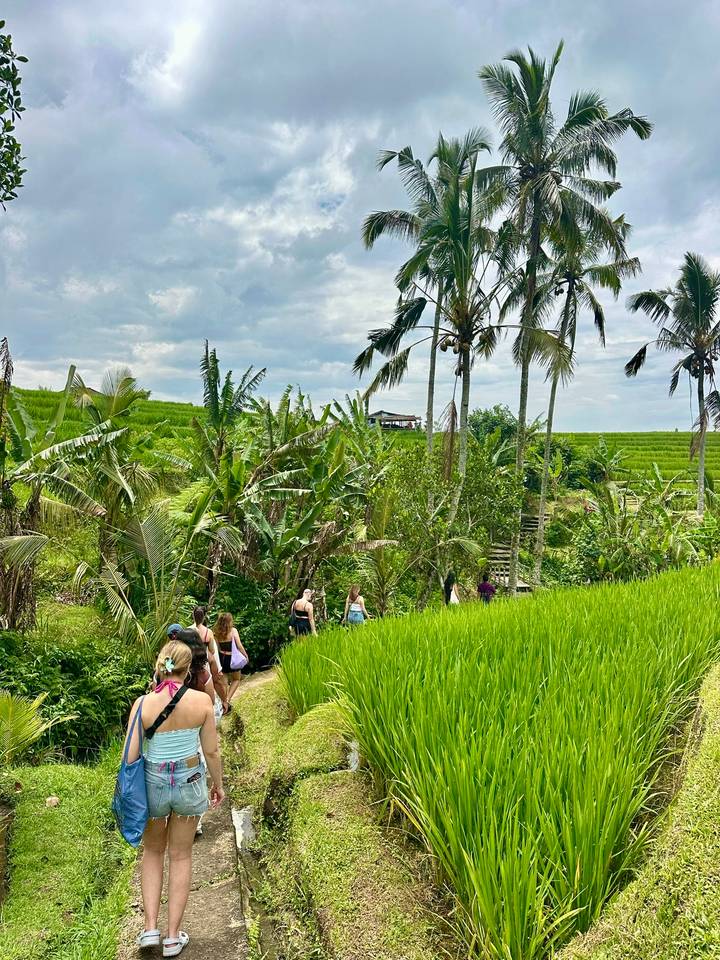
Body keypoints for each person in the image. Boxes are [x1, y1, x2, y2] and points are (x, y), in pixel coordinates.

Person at [124, 640, 224, 957]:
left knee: (153, 852)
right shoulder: (202, 703)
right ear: (188, 669)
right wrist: (217, 784)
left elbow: (130, 757)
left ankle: (150, 929)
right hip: (190, 780)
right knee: (181, 855)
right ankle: (171, 937)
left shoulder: (142, 704)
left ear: (161, 665)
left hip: (153, 783)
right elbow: (211, 750)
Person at [190, 606, 229, 715]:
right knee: (213, 681)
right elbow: (212, 650)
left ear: (193, 616)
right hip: (205, 661)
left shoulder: (188, 630)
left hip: (191, 661)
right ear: (204, 617)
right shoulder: (208, 632)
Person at [213, 612, 248, 704]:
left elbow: (217, 648)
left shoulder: (216, 633)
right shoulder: (233, 631)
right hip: (232, 658)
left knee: (224, 683)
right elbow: (239, 646)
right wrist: (245, 656)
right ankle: (227, 700)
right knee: (236, 679)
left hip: (222, 658)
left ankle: (223, 702)